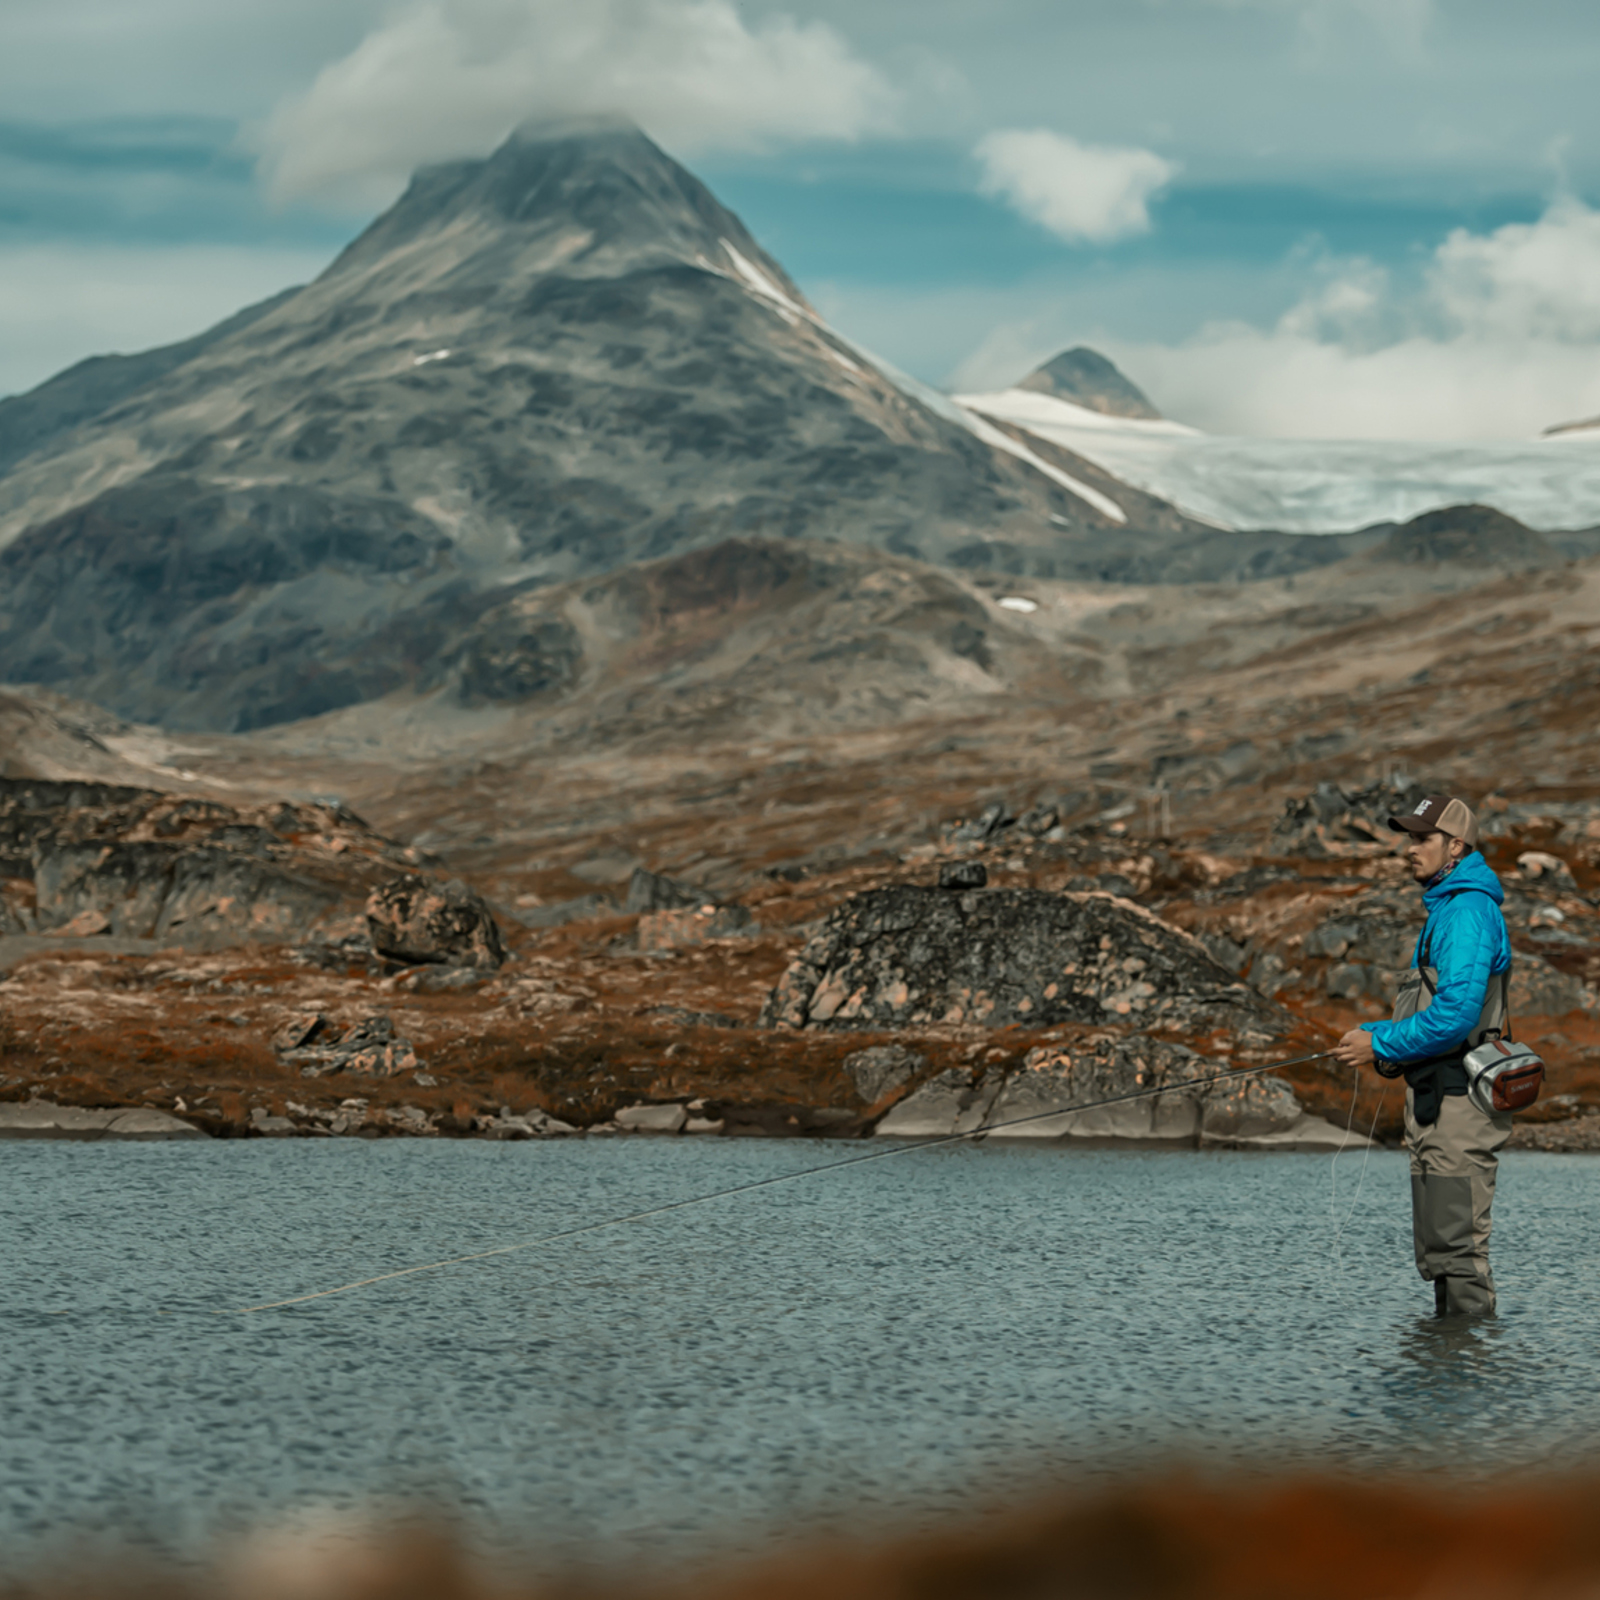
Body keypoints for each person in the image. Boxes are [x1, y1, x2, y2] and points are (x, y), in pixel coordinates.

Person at [1332, 795, 1513, 1316]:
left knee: (1458, 1255)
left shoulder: (1468, 912)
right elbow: (1439, 1007)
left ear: (1455, 846)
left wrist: (1381, 1045)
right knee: (1438, 1253)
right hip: (1435, 1103)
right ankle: (1444, 1378)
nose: (1410, 850)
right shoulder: (1448, 909)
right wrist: (1372, 1034)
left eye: (1421, 839)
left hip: (1462, 1106)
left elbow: (1457, 1016)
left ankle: (1469, 1381)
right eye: (1409, 838)